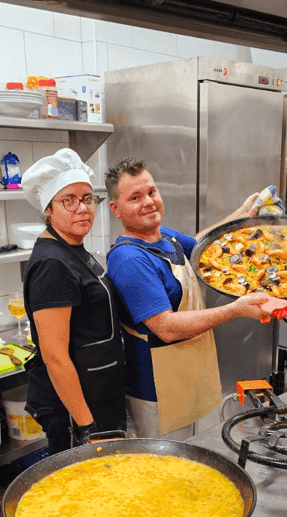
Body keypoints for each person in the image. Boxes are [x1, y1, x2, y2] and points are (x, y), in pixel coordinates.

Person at [105, 157, 275, 440]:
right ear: (116, 209)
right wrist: (235, 310)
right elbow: (166, 327)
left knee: (197, 465)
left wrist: (244, 214)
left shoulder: (167, 238)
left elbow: (202, 244)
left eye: (151, 192)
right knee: (167, 474)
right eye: (135, 197)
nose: (148, 201)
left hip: (192, 376)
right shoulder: (129, 259)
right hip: (158, 392)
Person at [21, 148, 127, 454]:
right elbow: (54, 355)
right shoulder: (52, 264)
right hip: (77, 408)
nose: (82, 208)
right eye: (68, 200)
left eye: (87, 198)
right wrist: (86, 428)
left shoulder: (73, 248)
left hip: (97, 390)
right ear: (48, 210)